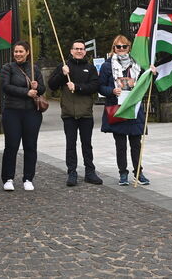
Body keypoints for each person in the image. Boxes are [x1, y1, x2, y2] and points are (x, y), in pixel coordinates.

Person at [48, 39, 102, 186]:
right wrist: (62, 74)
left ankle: (90, 172)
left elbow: (95, 86)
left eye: (81, 49)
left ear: (85, 51)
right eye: (76, 48)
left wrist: (77, 87)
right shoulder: (64, 66)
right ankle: (72, 172)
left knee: (87, 144)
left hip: (86, 113)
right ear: (71, 51)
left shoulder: (90, 68)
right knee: (70, 144)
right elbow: (51, 85)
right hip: (69, 113)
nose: (79, 51)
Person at [99, 36, 150, 186]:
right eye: (118, 47)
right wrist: (112, 90)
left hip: (134, 107)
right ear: (114, 48)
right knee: (120, 144)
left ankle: (138, 172)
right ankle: (123, 173)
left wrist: (152, 72)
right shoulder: (107, 66)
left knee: (136, 143)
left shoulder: (138, 64)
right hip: (117, 108)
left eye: (124, 46)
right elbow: (100, 87)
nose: (121, 49)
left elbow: (147, 81)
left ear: (129, 48)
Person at [0, 40, 45, 191]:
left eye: (21, 51)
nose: (18, 54)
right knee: (11, 145)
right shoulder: (7, 68)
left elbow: (43, 89)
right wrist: (26, 92)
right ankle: (8, 178)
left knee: (30, 145)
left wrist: (37, 87)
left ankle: (28, 178)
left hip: (32, 112)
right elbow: (6, 87)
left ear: (27, 52)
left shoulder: (34, 69)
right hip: (12, 111)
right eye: (16, 51)